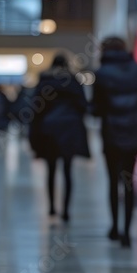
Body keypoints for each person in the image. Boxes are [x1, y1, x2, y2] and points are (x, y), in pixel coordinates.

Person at [91, 36, 137, 247]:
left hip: (111, 132)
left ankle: (114, 227)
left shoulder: (101, 74)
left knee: (112, 180)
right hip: (134, 131)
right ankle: (127, 232)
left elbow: (96, 108)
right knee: (129, 181)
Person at [29, 54, 90, 222]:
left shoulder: (44, 81)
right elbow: (83, 106)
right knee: (68, 171)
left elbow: (36, 108)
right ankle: (66, 210)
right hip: (69, 129)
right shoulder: (73, 81)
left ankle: (51, 208)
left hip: (49, 130)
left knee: (51, 170)